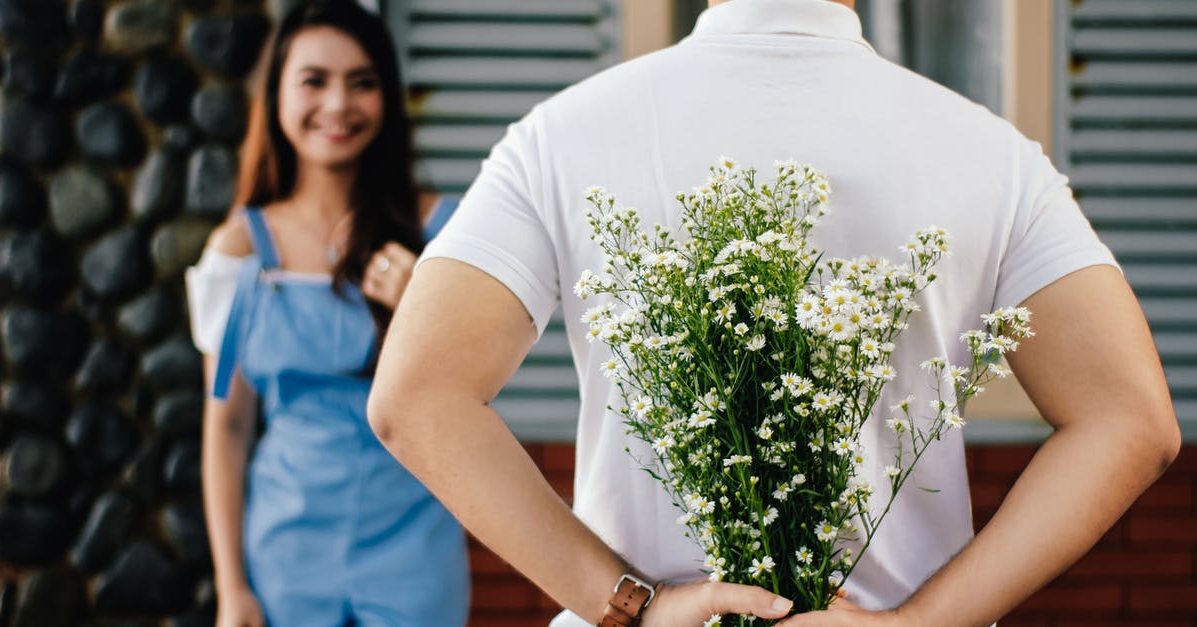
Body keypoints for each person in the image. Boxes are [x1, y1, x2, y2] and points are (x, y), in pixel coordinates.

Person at [366, 0, 1180, 625]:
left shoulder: (562, 135)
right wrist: (922, 621)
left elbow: (415, 396)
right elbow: (1133, 420)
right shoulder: (992, 154)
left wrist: (631, 603)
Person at [185, 2, 467, 626]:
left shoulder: (443, 231)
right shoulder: (238, 249)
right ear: (277, 94)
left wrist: (419, 306)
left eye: (362, 82)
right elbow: (226, 429)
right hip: (285, 549)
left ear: (387, 98)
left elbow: (476, 393)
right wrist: (232, 589)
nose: (338, 104)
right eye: (314, 80)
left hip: (416, 542)